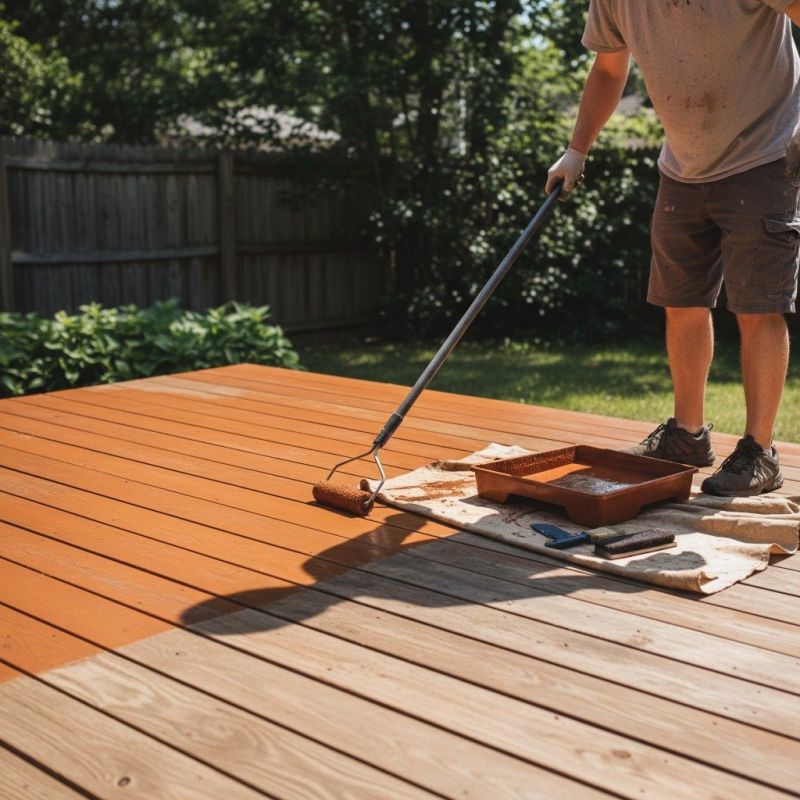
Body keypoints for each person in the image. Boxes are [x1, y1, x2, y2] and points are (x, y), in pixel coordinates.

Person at [547, 0, 800, 496]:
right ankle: (687, 436)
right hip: (681, 167)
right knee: (681, 303)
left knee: (758, 308)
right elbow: (607, 68)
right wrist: (577, 149)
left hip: (766, 156)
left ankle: (760, 451)